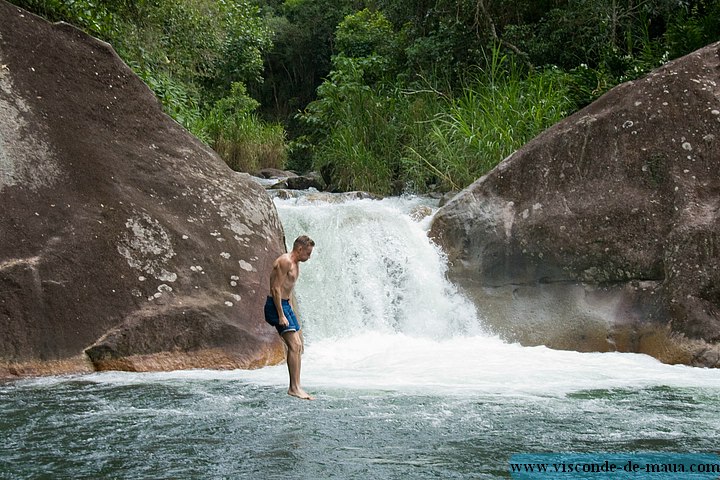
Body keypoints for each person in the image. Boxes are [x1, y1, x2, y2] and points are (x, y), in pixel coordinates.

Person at [264, 235, 315, 400]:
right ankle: (293, 388)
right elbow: (276, 289)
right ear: (299, 249)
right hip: (276, 306)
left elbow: (288, 288)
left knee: (298, 345)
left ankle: (297, 386)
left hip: (286, 306)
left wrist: (290, 309)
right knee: (294, 345)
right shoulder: (285, 261)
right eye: (308, 253)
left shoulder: (296, 264)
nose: (309, 256)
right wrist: (281, 315)